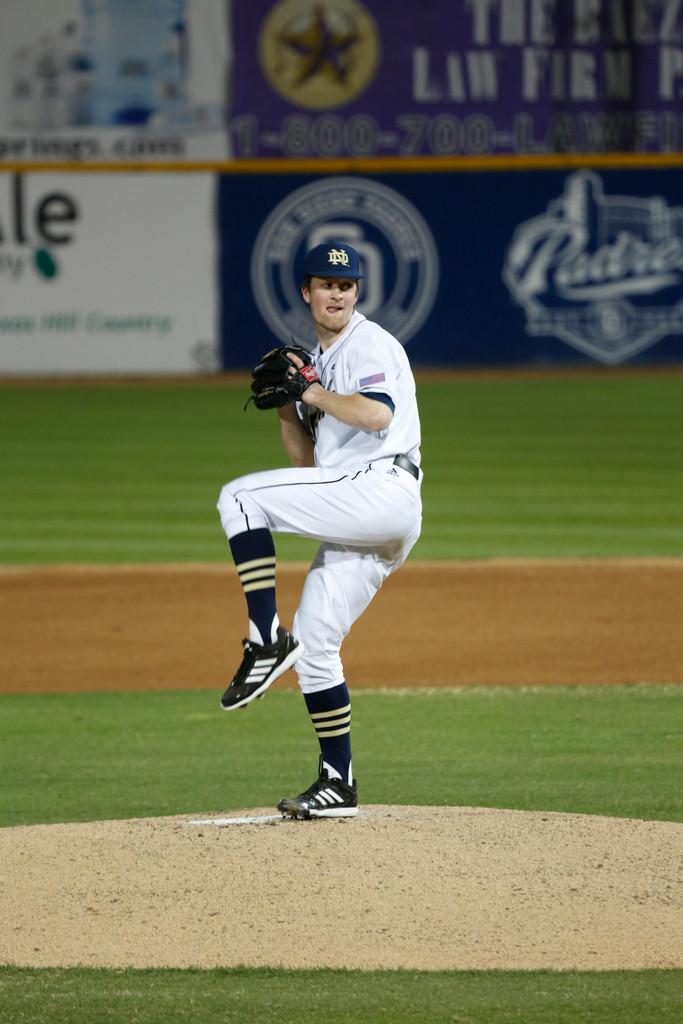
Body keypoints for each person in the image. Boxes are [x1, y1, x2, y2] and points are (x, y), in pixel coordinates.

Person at [216, 241, 422, 819]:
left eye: (347, 285)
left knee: (239, 498)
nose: (337, 293)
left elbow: (377, 415)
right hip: (361, 511)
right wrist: (288, 406)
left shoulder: (369, 343)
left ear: (356, 292)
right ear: (307, 291)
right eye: (326, 285)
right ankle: (339, 782)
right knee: (316, 646)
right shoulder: (318, 362)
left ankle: (263, 638)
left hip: (383, 488)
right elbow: (309, 474)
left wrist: (307, 391)